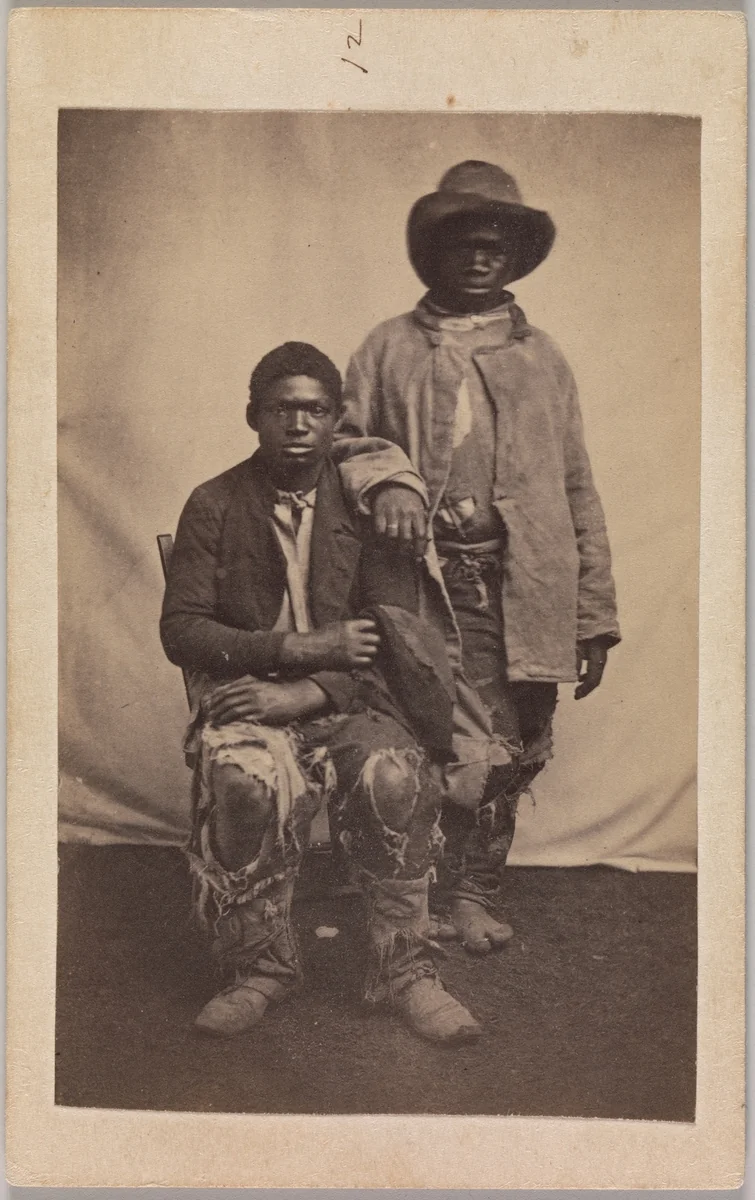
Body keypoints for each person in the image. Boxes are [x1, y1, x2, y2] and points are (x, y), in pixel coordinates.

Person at [335, 161, 621, 957]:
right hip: (415, 581)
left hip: (523, 584)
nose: (480, 256)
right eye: (463, 241)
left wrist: (591, 617)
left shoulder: (543, 357)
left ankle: (471, 892)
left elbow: (575, 486)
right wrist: (388, 476)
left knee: (515, 739)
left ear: (515, 255)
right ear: (436, 250)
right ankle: (411, 893)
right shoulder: (387, 347)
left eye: (495, 243)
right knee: (424, 732)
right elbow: (342, 438)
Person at [160, 341, 482, 1045]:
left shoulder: (370, 508)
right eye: (282, 409)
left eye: (314, 410)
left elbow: (394, 637)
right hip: (248, 695)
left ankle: (404, 972)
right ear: (254, 417)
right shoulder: (214, 502)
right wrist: (288, 652)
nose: (298, 424)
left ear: (338, 421)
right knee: (245, 779)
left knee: (392, 775)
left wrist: (307, 689)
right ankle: (260, 966)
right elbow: (182, 630)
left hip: (351, 699)